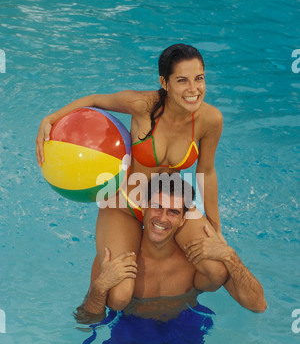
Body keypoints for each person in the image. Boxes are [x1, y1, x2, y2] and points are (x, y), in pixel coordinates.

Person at [36, 44, 227, 311]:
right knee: (120, 297)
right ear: (165, 82)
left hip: (167, 206)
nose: (193, 89)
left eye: (199, 78)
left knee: (217, 272)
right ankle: (103, 260)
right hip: (125, 204)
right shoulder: (143, 106)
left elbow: (206, 171)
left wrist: (216, 230)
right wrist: (51, 118)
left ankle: (177, 302)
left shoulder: (210, 119)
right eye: (182, 80)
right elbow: (94, 100)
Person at [80, 174, 267, 318]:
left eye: (172, 212)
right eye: (157, 207)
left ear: (183, 219)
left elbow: (258, 306)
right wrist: (100, 287)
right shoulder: (118, 261)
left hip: (184, 323)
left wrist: (230, 256)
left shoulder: (195, 261)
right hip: (131, 327)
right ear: (143, 207)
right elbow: (87, 320)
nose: (162, 218)